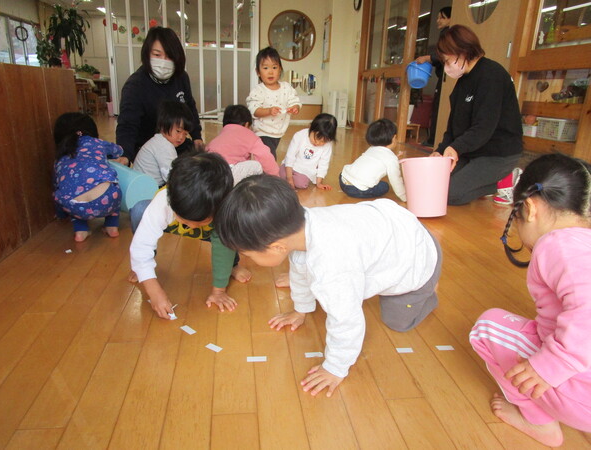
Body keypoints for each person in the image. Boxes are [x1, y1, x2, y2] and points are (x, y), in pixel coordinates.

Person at [215, 175, 441, 397]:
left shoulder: (332, 269)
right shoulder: (300, 226)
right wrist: (301, 310)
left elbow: (347, 320)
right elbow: (300, 270)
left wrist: (335, 368)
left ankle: (428, 291)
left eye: (248, 254)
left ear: (277, 248)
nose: (248, 259)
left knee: (398, 322)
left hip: (418, 258)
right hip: (398, 227)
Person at [469, 154, 591, 447]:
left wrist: (551, 365)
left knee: (487, 328)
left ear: (530, 208)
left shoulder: (557, 244)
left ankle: (540, 423)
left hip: (580, 395)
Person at [129, 153, 251, 319]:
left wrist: (219, 291)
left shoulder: (224, 206)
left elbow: (224, 247)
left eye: (199, 222)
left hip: (212, 230)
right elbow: (141, 246)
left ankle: (233, 264)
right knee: (139, 211)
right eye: (185, 220)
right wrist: (152, 288)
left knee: (228, 236)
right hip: (171, 225)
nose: (191, 225)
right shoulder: (163, 202)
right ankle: (144, 267)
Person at [430, 25, 523, 206]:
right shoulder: (463, 81)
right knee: (435, 186)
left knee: (448, 194)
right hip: (472, 151)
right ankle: (484, 182)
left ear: (462, 51)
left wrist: (456, 148)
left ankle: (508, 179)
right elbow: (453, 128)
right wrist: (440, 151)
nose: (447, 67)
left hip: (498, 154)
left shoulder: (492, 75)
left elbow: (484, 127)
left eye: (447, 61)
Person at [116, 27, 203, 165]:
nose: (163, 61)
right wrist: (124, 154)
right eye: (157, 55)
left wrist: (197, 136)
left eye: (169, 56)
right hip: (147, 146)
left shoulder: (181, 77)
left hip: (175, 141)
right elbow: (127, 124)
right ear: (147, 54)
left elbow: (190, 107)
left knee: (200, 163)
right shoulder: (135, 85)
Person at [53, 112, 122, 243]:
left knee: (69, 193)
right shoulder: (97, 142)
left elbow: (57, 185)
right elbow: (118, 150)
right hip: (107, 200)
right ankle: (112, 226)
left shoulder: (59, 156)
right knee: (113, 185)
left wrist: (61, 214)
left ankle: (81, 230)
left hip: (73, 206)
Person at [246, 47, 301, 159]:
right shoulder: (258, 91)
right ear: (258, 72)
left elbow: (294, 101)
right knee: (269, 157)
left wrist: (295, 107)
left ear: (280, 69)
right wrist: (268, 111)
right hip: (262, 131)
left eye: (274, 67)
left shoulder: (286, 88)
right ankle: (269, 169)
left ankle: (261, 168)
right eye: (265, 68)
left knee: (265, 157)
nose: (270, 72)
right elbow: (254, 110)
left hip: (278, 131)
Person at [206, 104, 279, 185]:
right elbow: (265, 157)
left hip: (210, 176)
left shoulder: (217, 138)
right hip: (228, 176)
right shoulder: (249, 136)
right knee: (256, 165)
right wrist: (277, 178)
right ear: (247, 124)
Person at [339, 118, 406, 201]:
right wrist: (404, 197)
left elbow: (376, 159)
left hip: (343, 179)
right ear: (394, 138)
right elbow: (396, 180)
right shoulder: (391, 159)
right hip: (356, 189)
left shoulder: (371, 148)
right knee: (385, 186)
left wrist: (395, 158)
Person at [133, 100, 194, 187]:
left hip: (139, 186)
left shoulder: (157, 141)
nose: (181, 137)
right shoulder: (165, 147)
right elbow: (172, 178)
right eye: (178, 131)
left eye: (185, 134)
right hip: (148, 190)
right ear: (163, 126)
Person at [414, 6, 451, 147]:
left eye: (442, 17)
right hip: (443, 76)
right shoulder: (445, 33)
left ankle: (433, 140)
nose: (438, 20)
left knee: (438, 108)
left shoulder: (448, 34)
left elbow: (443, 55)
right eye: (438, 17)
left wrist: (427, 58)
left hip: (446, 79)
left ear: (451, 18)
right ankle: (434, 140)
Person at [280, 113, 337, 190]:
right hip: (289, 166)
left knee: (301, 183)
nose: (318, 143)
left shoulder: (327, 145)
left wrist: (319, 183)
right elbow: (290, 156)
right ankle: (286, 178)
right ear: (310, 128)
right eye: (316, 138)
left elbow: (323, 164)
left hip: (305, 172)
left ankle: (287, 180)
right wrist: (289, 178)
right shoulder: (299, 135)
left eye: (323, 141)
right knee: (280, 174)